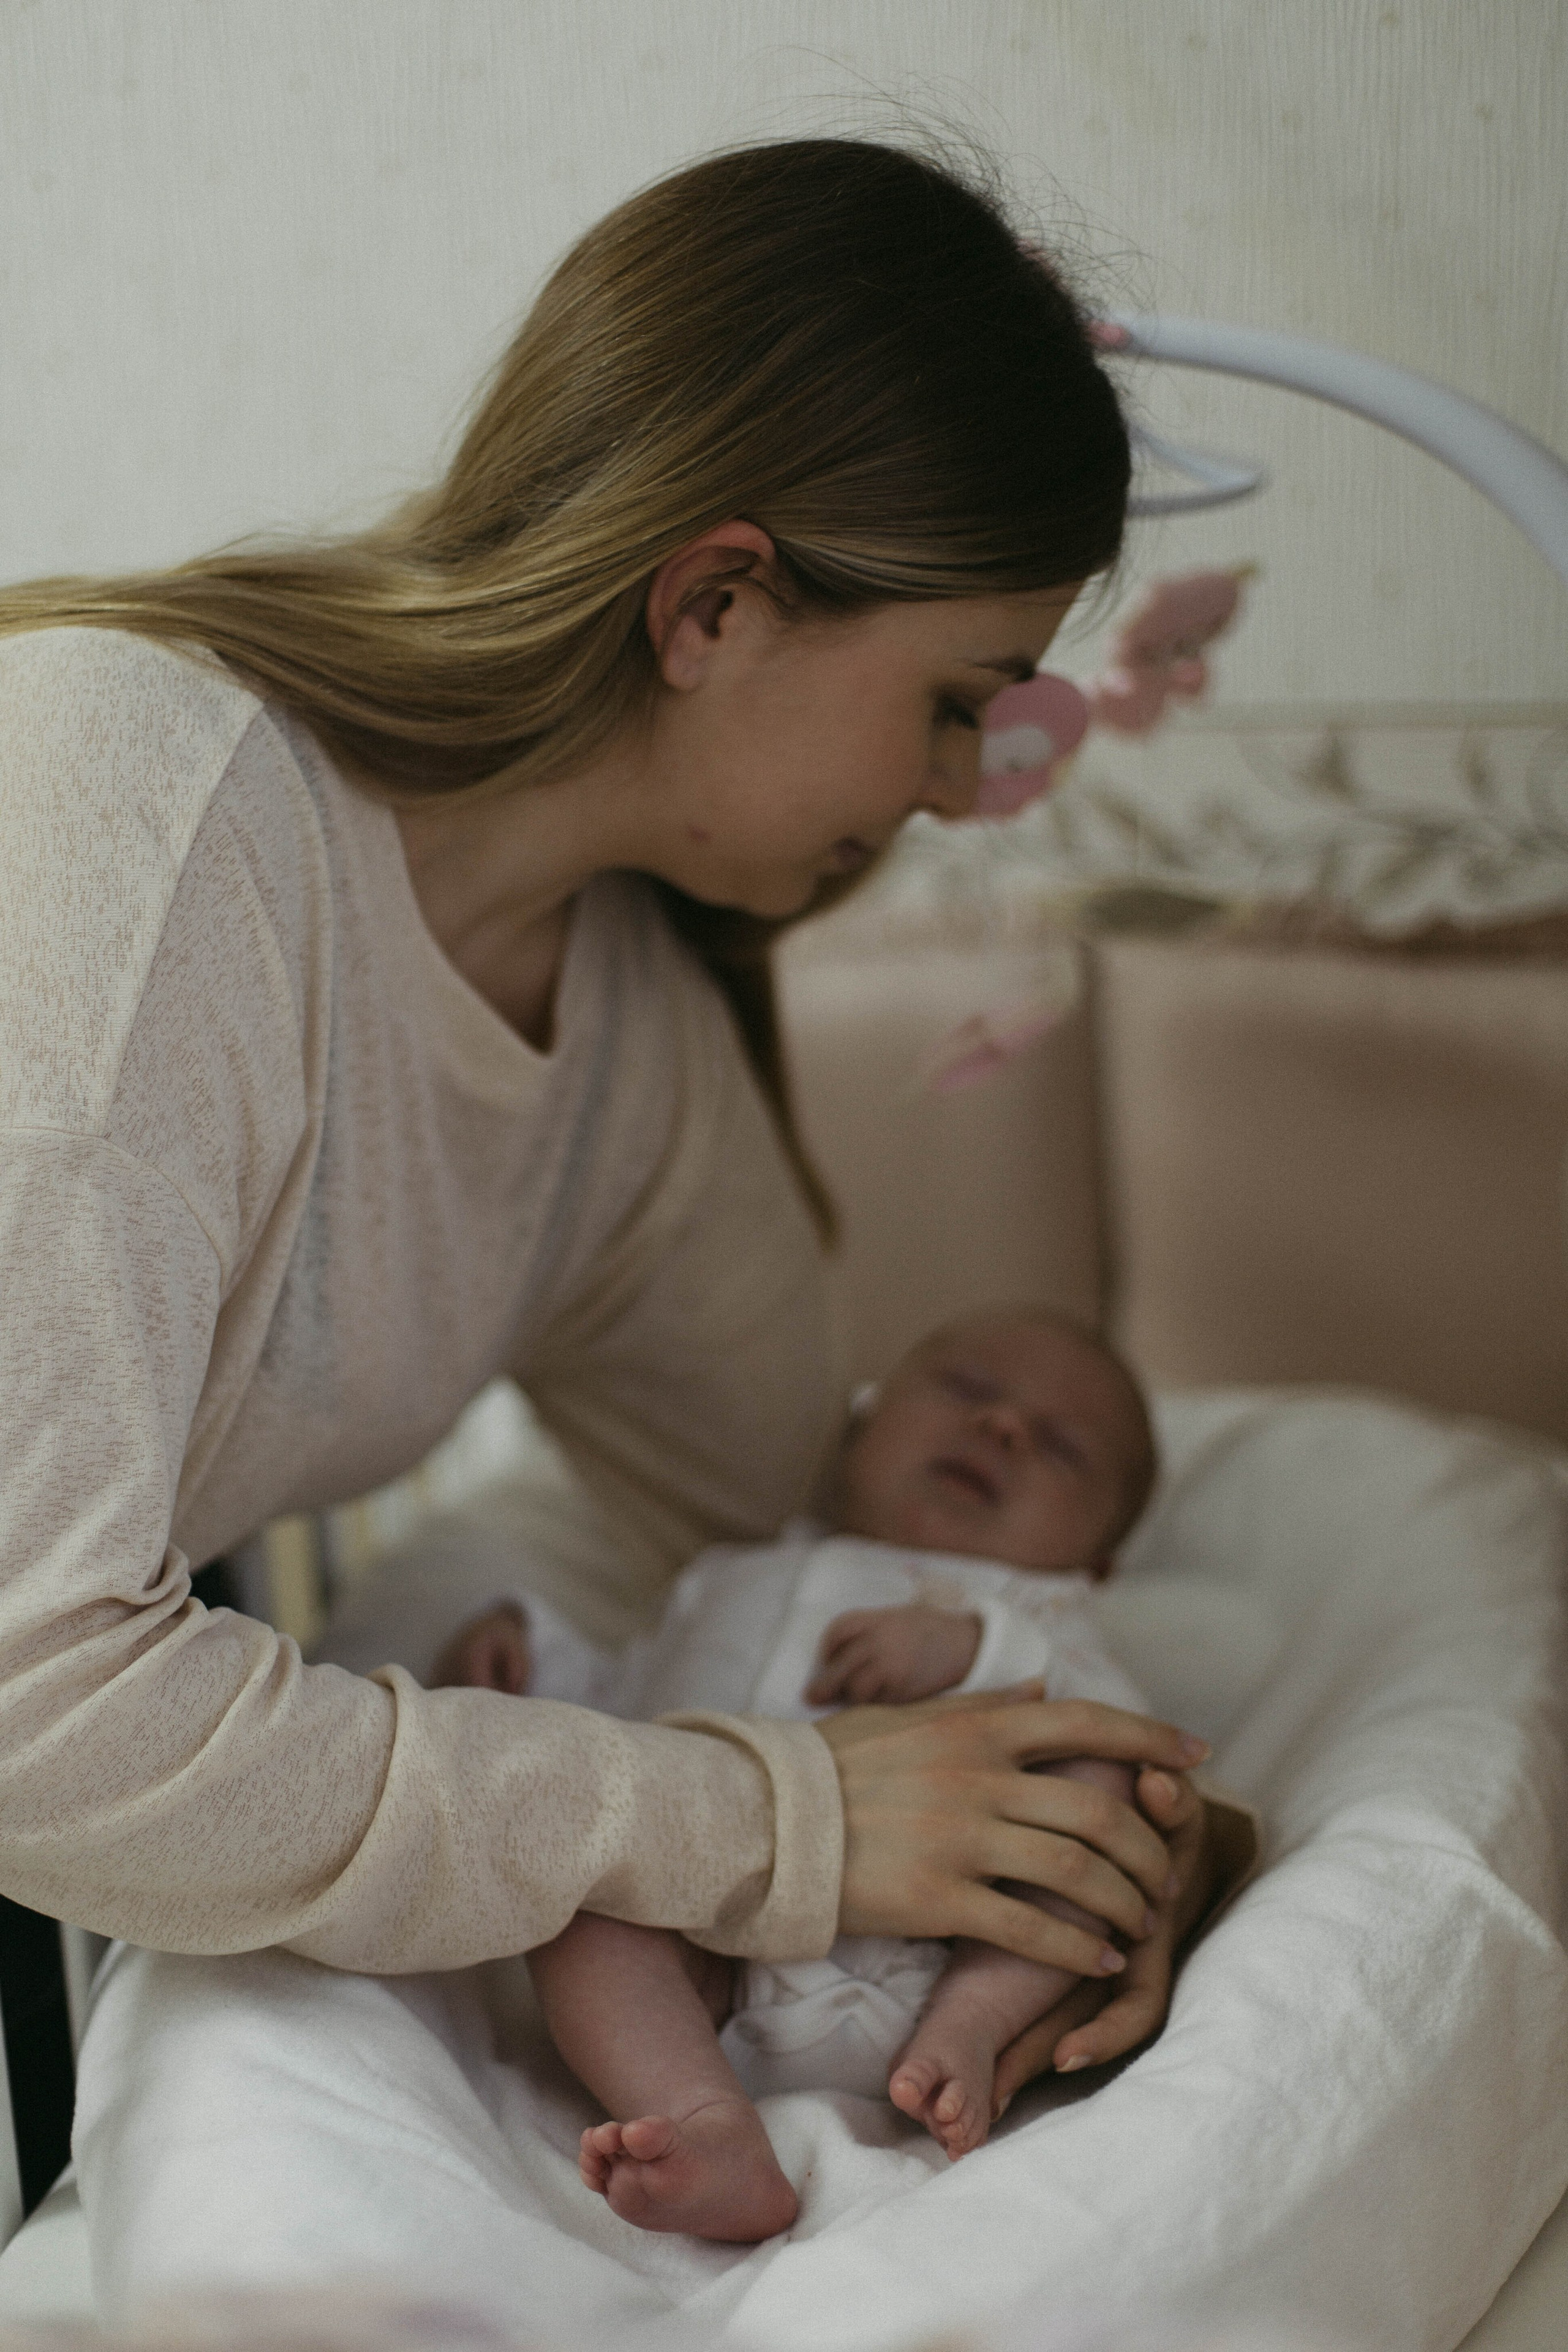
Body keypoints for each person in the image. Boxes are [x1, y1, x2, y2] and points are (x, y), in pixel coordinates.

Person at [1, 138, 1244, 2300]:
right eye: (958, 696)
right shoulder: (129, 807)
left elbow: (812, 1546)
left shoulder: (638, 1035)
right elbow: (35, 1708)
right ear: (716, 602)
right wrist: (768, 1821)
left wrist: (1107, 1855)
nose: (964, 786)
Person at [431, 1307, 1165, 2241]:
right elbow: (627, 1709)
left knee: (1096, 1780)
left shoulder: (1040, 1612)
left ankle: (974, 2028)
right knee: (582, 1874)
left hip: (939, 1951)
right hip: (704, 1947)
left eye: (1062, 1447)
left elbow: (1122, 1724)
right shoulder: (729, 1575)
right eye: (967, 1389)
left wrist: (978, 1647)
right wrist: (528, 1656)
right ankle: (704, 2121)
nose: (1003, 1427)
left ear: (1097, 1561)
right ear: (858, 1431)